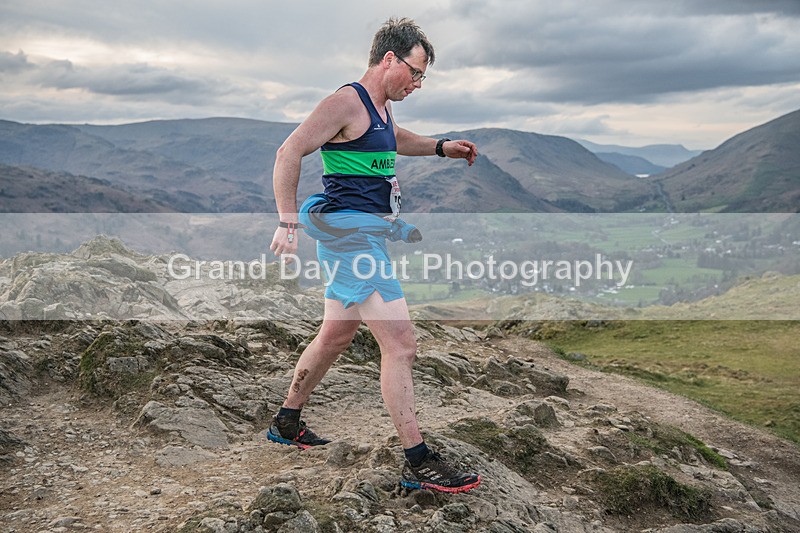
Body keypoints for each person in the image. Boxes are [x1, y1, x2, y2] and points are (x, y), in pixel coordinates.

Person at [267, 17, 481, 494]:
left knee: (335, 336)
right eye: (416, 72)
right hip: (350, 241)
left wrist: (441, 147)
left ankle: (286, 421)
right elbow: (289, 151)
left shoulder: (380, 111)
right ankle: (418, 461)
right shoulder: (346, 101)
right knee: (401, 344)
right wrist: (287, 220)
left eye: (423, 76)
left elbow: (396, 140)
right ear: (390, 59)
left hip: (364, 237)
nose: (418, 83)